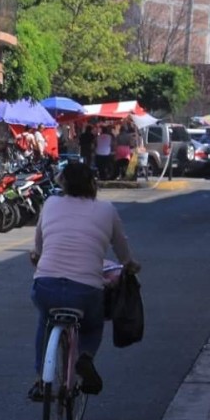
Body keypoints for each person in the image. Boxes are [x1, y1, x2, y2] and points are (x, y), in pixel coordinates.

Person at [27, 161, 140, 401]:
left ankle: (40, 379)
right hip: (86, 291)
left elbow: (38, 248)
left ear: (63, 183)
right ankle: (84, 357)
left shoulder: (50, 204)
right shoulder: (107, 209)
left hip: (46, 287)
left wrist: (37, 258)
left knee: (45, 320)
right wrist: (129, 264)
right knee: (92, 325)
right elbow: (122, 250)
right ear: (92, 184)